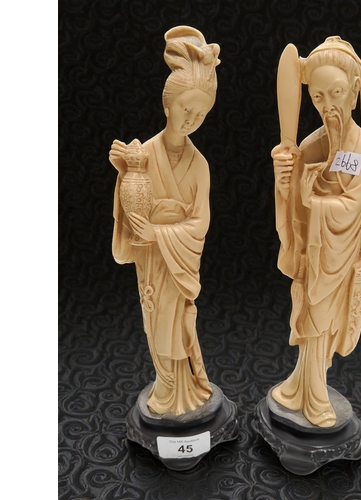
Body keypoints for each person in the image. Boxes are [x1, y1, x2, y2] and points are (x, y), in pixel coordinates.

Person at [271, 37, 361, 427]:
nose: (327, 105)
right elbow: (294, 203)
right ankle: (303, 385)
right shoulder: (313, 144)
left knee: (323, 316)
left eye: (335, 93)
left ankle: (315, 393)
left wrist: (310, 194)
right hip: (313, 249)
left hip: (338, 248)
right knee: (307, 312)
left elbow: (350, 206)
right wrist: (284, 179)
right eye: (318, 97)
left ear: (353, 91)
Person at [109, 27, 220, 416]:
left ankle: (184, 390)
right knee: (155, 322)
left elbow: (200, 223)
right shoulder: (143, 154)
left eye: (201, 114)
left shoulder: (200, 165)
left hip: (177, 258)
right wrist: (125, 173)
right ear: (168, 105)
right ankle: (166, 386)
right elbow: (133, 210)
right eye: (186, 109)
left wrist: (159, 231)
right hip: (153, 262)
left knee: (179, 325)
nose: (192, 119)